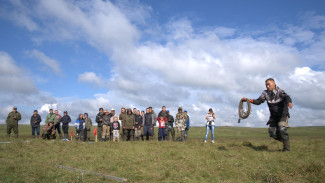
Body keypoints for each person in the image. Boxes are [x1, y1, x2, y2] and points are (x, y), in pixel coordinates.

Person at [242, 78, 293, 152]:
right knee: (272, 133)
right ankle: (284, 139)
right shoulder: (265, 93)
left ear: (274, 83)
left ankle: (287, 150)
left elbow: (286, 97)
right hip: (273, 116)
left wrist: (289, 102)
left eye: (269, 84)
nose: (267, 86)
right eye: (266, 85)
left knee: (282, 128)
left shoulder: (280, 91)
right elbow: (259, 101)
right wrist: (248, 100)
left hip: (283, 114)